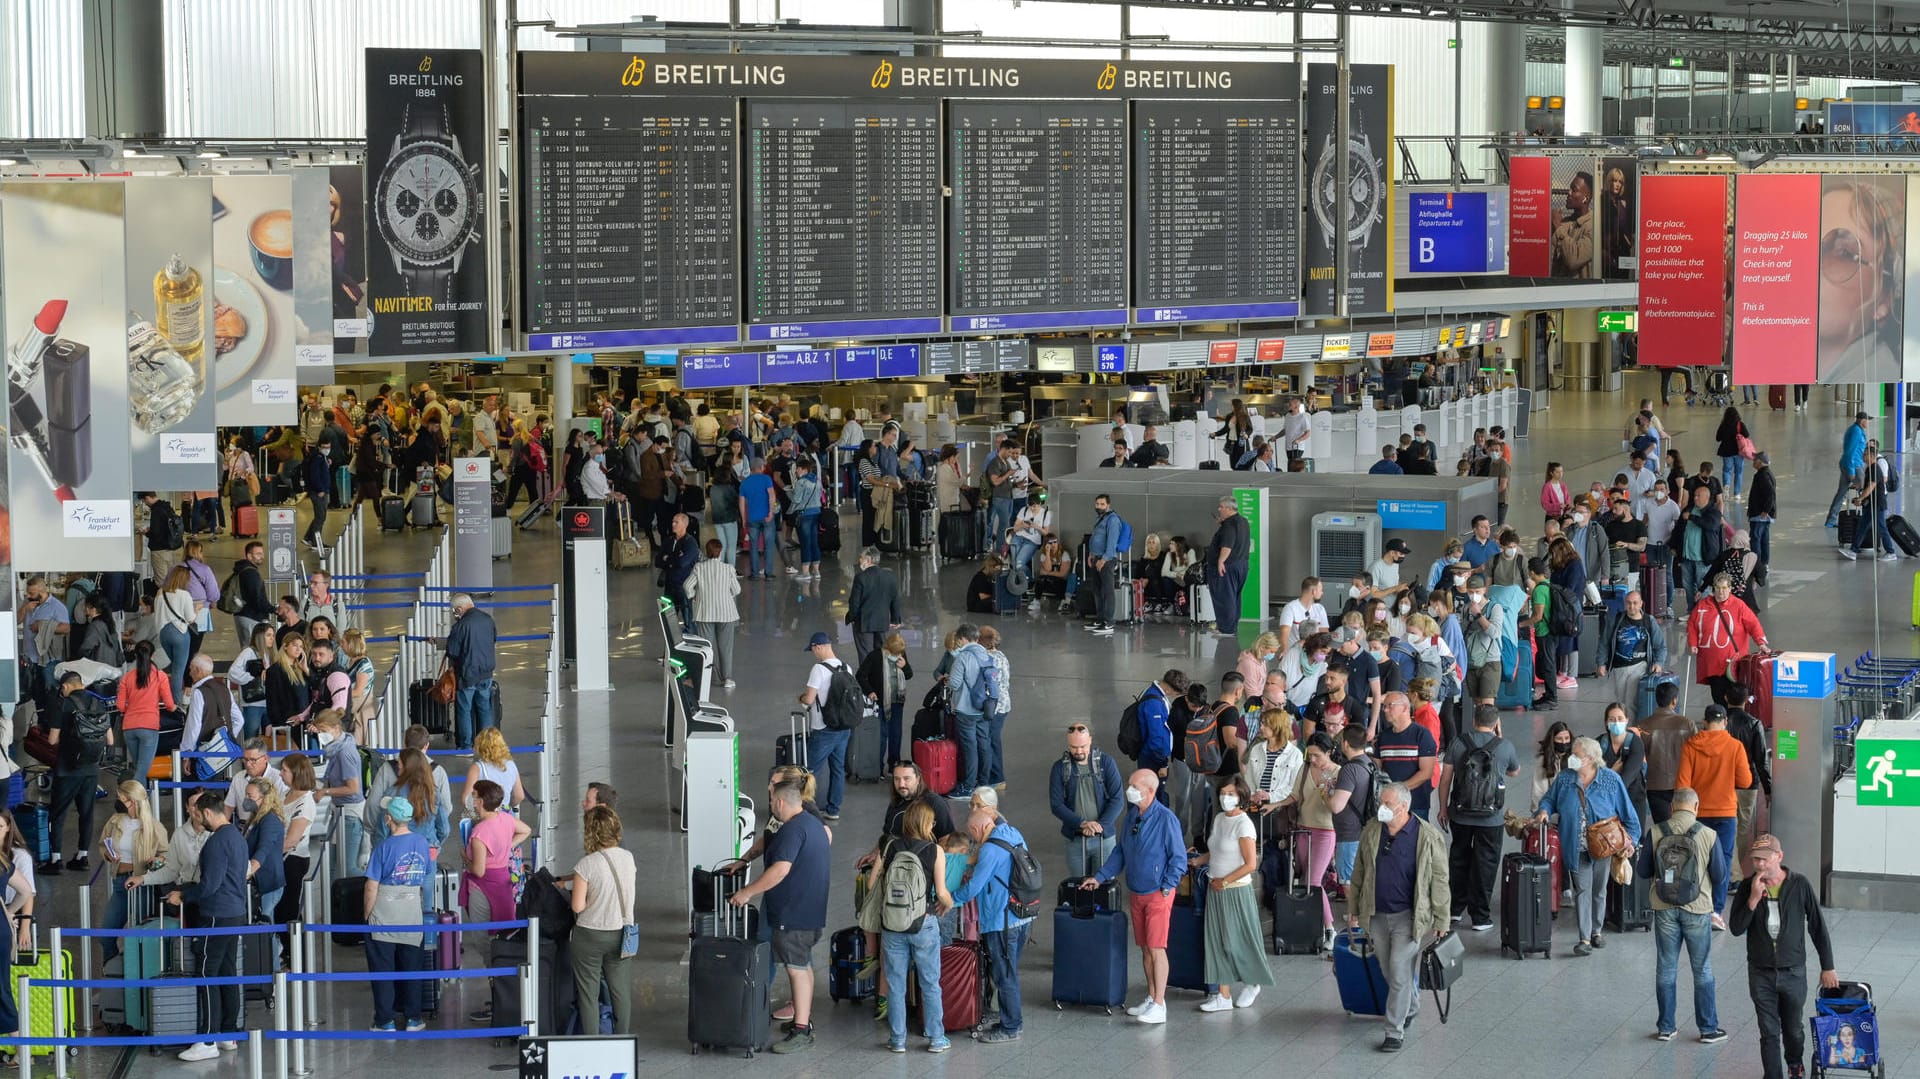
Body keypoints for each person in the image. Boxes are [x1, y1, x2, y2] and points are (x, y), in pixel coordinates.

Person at [1347, 781, 1451, 1053]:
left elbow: (1440, 879)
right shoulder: (1372, 831)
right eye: (1381, 802)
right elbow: (1359, 871)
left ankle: (1394, 1031)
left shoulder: (1426, 836)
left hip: (1409, 917)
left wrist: (1442, 918)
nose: (1382, 807)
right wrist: (1354, 908)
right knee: (1389, 970)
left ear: (1403, 807)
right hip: (1378, 914)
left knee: (1399, 971)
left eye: (1387, 804)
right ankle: (1411, 1005)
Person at [731, 782, 831, 1054]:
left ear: (781, 802)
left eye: (773, 799)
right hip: (811, 912)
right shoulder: (813, 824)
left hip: (793, 914)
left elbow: (780, 871)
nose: (771, 805)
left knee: (796, 970)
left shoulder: (792, 830)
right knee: (804, 967)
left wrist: (746, 892)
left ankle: (800, 1031)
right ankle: (803, 1021)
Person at [1082, 770, 1187, 1025]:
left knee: (1156, 948)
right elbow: (1121, 851)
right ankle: (1151, 997)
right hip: (1137, 892)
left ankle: (1160, 1004)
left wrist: (1167, 886)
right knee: (1144, 948)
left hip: (1157, 894)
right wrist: (1100, 876)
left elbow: (1179, 858)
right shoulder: (1132, 817)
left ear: (1150, 791)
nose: (1130, 790)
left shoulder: (1166, 820)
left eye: (1134, 786)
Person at [1732, 834, 1841, 1079]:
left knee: (1793, 1029)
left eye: (1763, 859)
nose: (1759, 865)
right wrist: (1751, 899)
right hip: (1761, 972)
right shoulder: (1748, 887)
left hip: (1792, 971)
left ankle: (1794, 1063)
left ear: (1778, 857)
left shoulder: (1799, 885)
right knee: (1769, 1031)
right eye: (1755, 860)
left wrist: (1828, 966)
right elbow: (1736, 928)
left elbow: (1817, 927)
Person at [1535, 736, 1641, 955]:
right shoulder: (1565, 779)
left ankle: (1596, 931)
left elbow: (1629, 815)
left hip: (1603, 848)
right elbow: (1549, 799)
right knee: (1582, 890)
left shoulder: (1611, 780)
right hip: (1576, 847)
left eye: (1576, 755)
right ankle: (1584, 938)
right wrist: (1544, 810)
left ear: (1591, 759)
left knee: (1599, 890)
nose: (1571, 758)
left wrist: (1631, 840)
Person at [866, 801, 954, 1053]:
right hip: (923, 923)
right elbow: (942, 893)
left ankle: (897, 1040)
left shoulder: (890, 845)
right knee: (930, 983)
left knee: (895, 984)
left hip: (893, 925)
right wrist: (946, 905)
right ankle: (937, 1038)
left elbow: (872, 884)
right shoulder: (934, 850)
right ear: (928, 823)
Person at [170, 792, 249, 1061]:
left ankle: (207, 1038)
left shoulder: (215, 843)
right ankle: (228, 1032)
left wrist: (183, 895)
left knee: (206, 973)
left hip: (216, 914)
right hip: (236, 912)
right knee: (227, 972)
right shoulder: (237, 836)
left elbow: (209, 886)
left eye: (197, 813)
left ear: (206, 813)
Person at [1187, 774, 1274, 1011]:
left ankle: (1253, 982)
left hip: (1234, 891)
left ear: (1241, 797)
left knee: (1239, 941)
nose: (1226, 798)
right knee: (1216, 942)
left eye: (1231, 794)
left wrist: (1224, 881)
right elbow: (1215, 851)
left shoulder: (1244, 824)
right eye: (1223, 793)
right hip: (1215, 888)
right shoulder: (1219, 819)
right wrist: (1197, 862)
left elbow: (1250, 864)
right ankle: (1223, 996)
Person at [1650, 787, 1729, 1044]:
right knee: (1702, 968)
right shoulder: (1707, 834)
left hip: (1663, 908)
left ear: (1672, 808)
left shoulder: (1656, 831)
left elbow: (1642, 872)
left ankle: (1666, 1027)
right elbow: (1719, 876)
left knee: (1666, 967)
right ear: (1696, 807)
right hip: (1697, 908)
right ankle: (1708, 1029)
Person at [1436, 704, 1522, 932]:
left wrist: (1443, 808)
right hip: (1492, 818)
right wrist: (1499, 739)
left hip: (1460, 814)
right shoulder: (1504, 746)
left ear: (1474, 721)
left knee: (1458, 858)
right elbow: (1515, 771)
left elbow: (1445, 779)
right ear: (1496, 723)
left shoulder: (1458, 742)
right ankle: (1481, 917)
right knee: (1486, 864)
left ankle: (1454, 910)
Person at [559, 804, 635, 1035]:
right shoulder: (628, 857)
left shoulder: (586, 865)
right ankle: (623, 1040)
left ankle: (593, 1044)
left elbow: (577, 906)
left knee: (588, 993)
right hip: (623, 933)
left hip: (590, 936)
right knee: (620, 991)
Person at [361, 796, 433, 1033]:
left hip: (384, 911)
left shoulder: (383, 847)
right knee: (412, 966)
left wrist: (367, 915)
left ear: (389, 818)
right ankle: (413, 1018)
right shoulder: (422, 842)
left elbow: (372, 885)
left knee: (383, 970)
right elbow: (426, 872)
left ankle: (385, 1020)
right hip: (412, 910)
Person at [1676, 705, 1752, 925]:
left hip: (1696, 813)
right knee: (1723, 861)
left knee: (1695, 859)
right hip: (1725, 813)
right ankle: (1716, 911)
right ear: (1725, 722)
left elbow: (1682, 784)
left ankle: (1695, 905)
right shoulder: (1735, 746)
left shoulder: (1690, 746)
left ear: (1704, 721)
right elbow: (1746, 781)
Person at [97, 780, 168, 964]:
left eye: (123, 799)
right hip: (120, 882)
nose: (120, 802)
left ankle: (137, 973)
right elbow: (103, 844)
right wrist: (108, 855)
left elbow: (166, 854)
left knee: (140, 936)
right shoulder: (115, 821)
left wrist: (158, 860)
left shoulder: (154, 827)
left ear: (134, 801)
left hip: (143, 884)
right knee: (106, 933)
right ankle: (113, 970)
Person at [1049, 722, 1125, 878]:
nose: (1078, 751)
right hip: (1075, 839)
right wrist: (1082, 823)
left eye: (1083, 746)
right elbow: (1056, 805)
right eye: (1073, 747)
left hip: (1104, 838)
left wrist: (1099, 825)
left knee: (1104, 884)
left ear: (1090, 740)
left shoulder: (1106, 763)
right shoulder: (1059, 768)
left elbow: (1118, 799)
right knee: (1079, 888)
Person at [1688, 573, 1770, 703]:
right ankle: (1721, 720)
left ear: (1730, 589)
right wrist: (1693, 644)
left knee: (1735, 697)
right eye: (1718, 588)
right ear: (1713, 588)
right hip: (1712, 663)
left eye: (1724, 588)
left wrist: (1761, 643)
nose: (1721, 592)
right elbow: (1692, 625)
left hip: (1733, 663)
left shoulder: (1739, 605)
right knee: (1718, 695)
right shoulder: (1702, 605)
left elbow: (1753, 625)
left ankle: (1731, 720)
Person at [799, 633, 856, 819]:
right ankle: (833, 810)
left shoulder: (819, 669)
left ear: (818, 647)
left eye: (813, 649)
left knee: (809, 771)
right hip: (844, 727)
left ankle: (804, 809)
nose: (814, 654)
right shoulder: (846, 667)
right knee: (838, 769)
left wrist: (800, 698)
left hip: (824, 728)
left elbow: (809, 698)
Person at [1294, 733, 1342, 950]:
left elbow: (1334, 805)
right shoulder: (1304, 769)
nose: (1312, 759)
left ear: (1329, 752)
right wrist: (1272, 804)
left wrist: (1325, 783)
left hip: (1325, 831)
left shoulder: (1338, 772)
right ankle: (1318, 927)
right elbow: (1295, 796)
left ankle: (1330, 928)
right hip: (1303, 828)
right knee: (1307, 880)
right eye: (1309, 754)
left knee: (1313, 882)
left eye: (1317, 755)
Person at [273, 753, 320, 957]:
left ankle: (294, 955)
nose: (281, 774)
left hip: (292, 860)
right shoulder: (286, 794)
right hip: (280, 858)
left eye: (284, 770)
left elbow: (291, 841)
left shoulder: (305, 802)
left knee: (288, 910)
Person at [309, 711, 366, 872]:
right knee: (334, 866)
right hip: (341, 813)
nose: (321, 735)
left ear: (336, 728)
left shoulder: (344, 752)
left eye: (323, 731)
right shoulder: (338, 747)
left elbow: (353, 788)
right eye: (319, 731)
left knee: (347, 868)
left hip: (349, 816)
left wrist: (324, 792)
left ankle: (372, 888)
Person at [943, 625, 993, 799]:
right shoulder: (987, 654)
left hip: (967, 709)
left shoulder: (963, 657)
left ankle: (969, 786)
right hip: (984, 708)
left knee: (970, 747)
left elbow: (955, 684)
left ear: (963, 638)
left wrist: (948, 680)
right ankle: (984, 782)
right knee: (984, 744)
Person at [684, 538, 742, 690]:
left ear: (706, 553)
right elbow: (736, 590)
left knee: (707, 648)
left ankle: (706, 676)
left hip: (705, 613)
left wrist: (694, 596)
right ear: (720, 552)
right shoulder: (728, 568)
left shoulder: (699, 568)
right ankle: (727, 678)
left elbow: (687, 586)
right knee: (726, 647)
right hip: (726, 613)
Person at [444, 593, 497, 750]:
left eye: (455, 611)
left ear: (459, 609)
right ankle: (487, 745)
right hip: (486, 672)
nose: (455, 614)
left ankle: (466, 745)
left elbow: (452, 651)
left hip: (467, 674)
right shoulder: (488, 620)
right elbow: (494, 639)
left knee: (464, 710)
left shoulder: (460, 626)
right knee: (485, 708)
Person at [1597, 587, 1667, 708]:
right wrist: (1601, 663)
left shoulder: (1649, 621)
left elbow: (1660, 646)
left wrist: (1659, 663)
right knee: (1621, 701)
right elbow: (1604, 642)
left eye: (1635, 603)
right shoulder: (1617, 620)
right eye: (1629, 603)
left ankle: (1630, 726)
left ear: (1641, 604)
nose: (1632, 606)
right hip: (1619, 667)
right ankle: (1625, 724)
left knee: (1631, 701)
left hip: (1640, 666)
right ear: (1625, 603)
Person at [1373, 692, 1438, 819]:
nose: (1385, 710)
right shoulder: (1383, 736)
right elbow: (1377, 768)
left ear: (1404, 708)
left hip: (1415, 804)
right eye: (1384, 706)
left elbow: (1426, 772)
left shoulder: (1422, 734)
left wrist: (1398, 791)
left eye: (1390, 705)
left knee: (1416, 837)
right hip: (1388, 805)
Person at [857, 633, 914, 770]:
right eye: (895, 652)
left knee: (896, 735)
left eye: (900, 652)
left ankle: (894, 763)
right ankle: (877, 766)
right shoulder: (875, 656)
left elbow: (909, 675)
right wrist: (870, 691)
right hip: (880, 702)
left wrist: (904, 666)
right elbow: (861, 675)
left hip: (897, 702)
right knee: (881, 736)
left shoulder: (900, 655)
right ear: (888, 648)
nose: (897, 655)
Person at [844, 547, 902, 668]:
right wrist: (895, 619)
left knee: (865, 655)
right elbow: (895, 599)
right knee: (882, 654)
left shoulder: (860, 577)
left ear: (868, 560)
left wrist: (853, 618)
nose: (859, 560)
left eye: (861, 557)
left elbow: (854, 603)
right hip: (882, 622)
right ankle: (881, 679)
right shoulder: (889, 576)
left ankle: (867, 683)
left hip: (864, 623)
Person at [1840, 443, 1899, 562]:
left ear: (1872, 456)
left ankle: (1891, 552)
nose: (1863, 456)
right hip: (1871, 503)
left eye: (1865, 454)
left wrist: (1860, 498)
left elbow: (1871, 486)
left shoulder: (1875, 469)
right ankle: (1853, 551)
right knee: (1862, 527)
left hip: (1877, 504)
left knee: (1882, 527)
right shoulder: (1870, 468)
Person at [243, 776, 287, 931]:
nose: (246, 799)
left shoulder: (270, 820)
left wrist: (248, 871)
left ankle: (274, 954)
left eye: (250, 796)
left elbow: (264, 850)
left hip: (268, 884)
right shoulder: (256, 817)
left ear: (263, 798)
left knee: (265, 928)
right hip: (260, 882)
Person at [1206, 495, 1252, 638]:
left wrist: (1221, 561)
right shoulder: (1242, 521)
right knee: (1234, 598)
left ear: (1228, 508)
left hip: (1228, 567)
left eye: (1221, 507)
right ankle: (1231, 626)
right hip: (1241, 565)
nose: (1219, 509)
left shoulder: (1229, 524)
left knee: (1224, 597)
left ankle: (1226, 629)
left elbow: (1227, 545)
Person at [978, 625, 1013, 790]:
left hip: (993, 707)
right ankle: (995, 777)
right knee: (994, 739)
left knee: (991, 741)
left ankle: (996, 777)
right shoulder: (1001, 656)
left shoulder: (985, 659)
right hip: (1003, 704)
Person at [1827, 411, 1873, 528]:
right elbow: (1850, 453)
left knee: (1841, 493)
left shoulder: (1855, 430)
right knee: (1865, 491)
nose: (1868, 423)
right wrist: (1852, 473)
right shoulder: (1856, 432)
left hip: (1848, 464)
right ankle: (1866, 518)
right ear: (1862, 421)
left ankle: (1831, 520)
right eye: (1868, 420)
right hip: (1853, 465)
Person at [1748, 453, 1778, 585]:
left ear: (1760, 462)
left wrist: (1765, 510)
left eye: (1755, 460)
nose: (1753, 461)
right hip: (1765, 513)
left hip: (1760, 514)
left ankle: (1757, 565)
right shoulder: (1768, 473)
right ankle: (1764, 564)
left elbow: (1770, 493)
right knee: (1764, 539)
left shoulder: (1762, 475)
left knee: (1755, 539)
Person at [1278, 578, 1329, 654]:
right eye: (1321, 590)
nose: (1322, 593)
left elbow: (1324, 633)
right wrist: (1284, 651)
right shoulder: (1290, 608)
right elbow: (1284, 633)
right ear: (1313, 592)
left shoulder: (1320, 608)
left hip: (1313, 654)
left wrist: (1324, 651)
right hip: (1295, 653)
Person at [1716, 406, 1752, 499]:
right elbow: (1747, 434)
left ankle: (1726, 486)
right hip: (1739, 452)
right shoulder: (1739, 425)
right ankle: (1737, 493)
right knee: (1738, 472)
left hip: (1726, 452)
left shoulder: (1723, 425)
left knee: (1727, 471)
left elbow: (1718, 438)